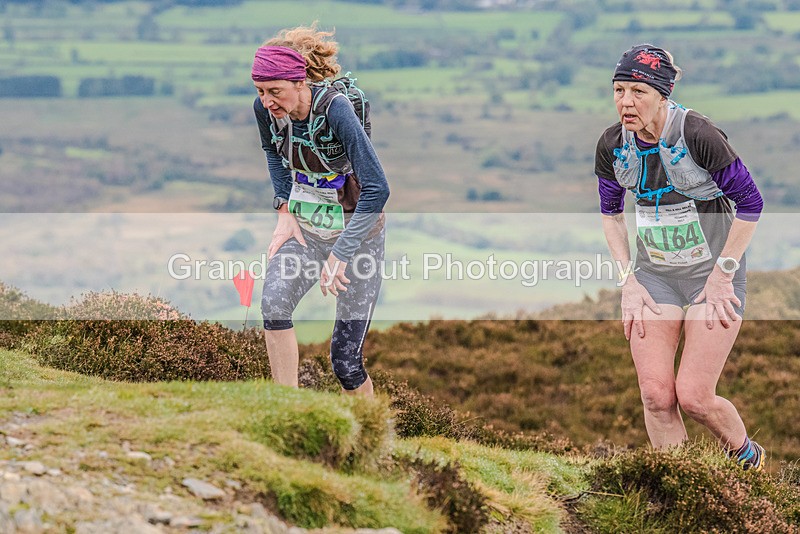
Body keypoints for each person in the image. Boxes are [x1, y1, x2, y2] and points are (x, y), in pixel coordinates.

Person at [595, 44, 765, 469]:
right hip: (655, 275)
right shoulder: (614, 145)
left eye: (638, 91)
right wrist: (628, 282)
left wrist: (723, 273)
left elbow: (751, 203)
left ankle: (747, 460)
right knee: (655, 395)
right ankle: (681, 487)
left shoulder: (698, 135)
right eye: (619, 90)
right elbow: (610, 215)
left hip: (713, 273)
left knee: (694, 396)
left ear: (662, 95)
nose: (626, 102)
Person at [252, 25, 389, 396]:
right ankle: (288, 408)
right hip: (306, 229)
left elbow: (378, 189)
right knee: (274, 304)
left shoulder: (336, 110)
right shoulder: (266, 110)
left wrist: (342, 253)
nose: (267, 101)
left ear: (300, 82)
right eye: (261, 92)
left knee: (345, 362)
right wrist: (283, 210)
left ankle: (373, 443)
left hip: (358, 236)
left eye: (275, 91)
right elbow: (272, 154)